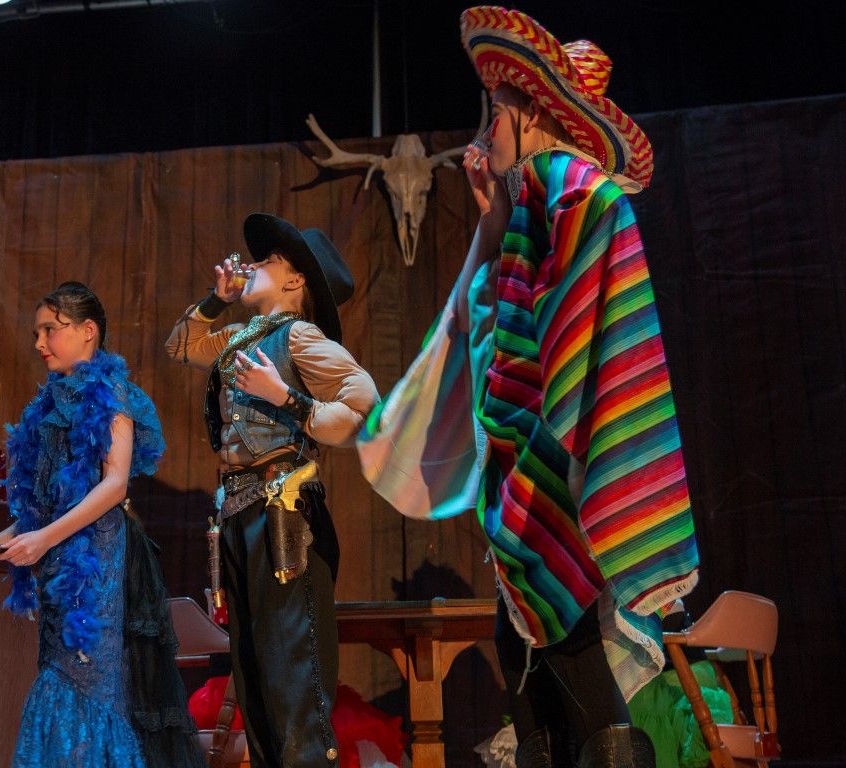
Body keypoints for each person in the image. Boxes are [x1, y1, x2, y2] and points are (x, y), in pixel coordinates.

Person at [359, 8, 700, 767]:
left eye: (495, 114)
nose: (486, 134)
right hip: (537, 462)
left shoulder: (573, 191)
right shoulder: (541, 198)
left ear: (530, 114)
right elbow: (489, 324)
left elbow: (563, 338)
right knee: (522, 653)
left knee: (563, 650)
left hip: (555, 467)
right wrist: (494, 218)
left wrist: (552, 441)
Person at [0, 281, 205, 768]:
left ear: (88, 331)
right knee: (58, 676)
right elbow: (41, 509)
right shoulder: (47, 405)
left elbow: (114, 484)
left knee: (85, 684)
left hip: (96, 562)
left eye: (50, 330)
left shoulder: (110, 392)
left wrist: (42, 540)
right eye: (36, 333)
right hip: (58, 564)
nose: (39, 343)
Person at [165, 213, 379, 768]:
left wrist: (285, 396)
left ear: (295, 280)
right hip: (239, 513)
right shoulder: (239, 337)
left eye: (268, 260)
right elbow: (181, 345)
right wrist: (216, 300)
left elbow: (364, 405)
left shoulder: (299, 336)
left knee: (291, 676)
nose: (253, 264)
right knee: (255, 677)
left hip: (283, 514)